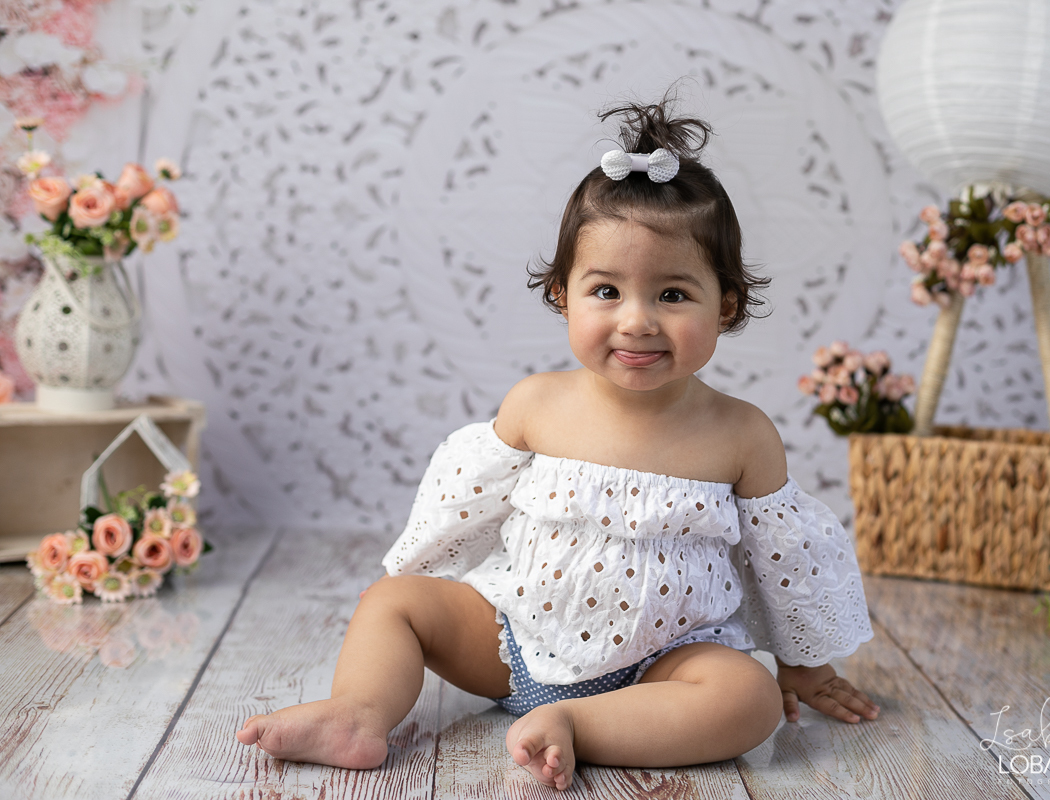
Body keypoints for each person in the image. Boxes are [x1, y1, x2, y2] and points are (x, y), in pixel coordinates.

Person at [235, 97, 879, 790]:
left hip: (667, 662)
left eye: (672, 295)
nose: (637, 321)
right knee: (391, 604)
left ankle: (579, 723)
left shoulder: (741, 433)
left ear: (724, 304)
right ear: (562, 295)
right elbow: (464, 504)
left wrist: (802, 665)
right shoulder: (536, 404)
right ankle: (357, 713)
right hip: (512, 637)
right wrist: (417, 573)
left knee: (747, 700)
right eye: (606, 290)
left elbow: (783, 562)